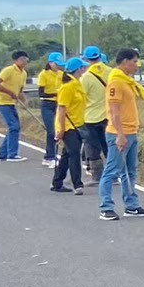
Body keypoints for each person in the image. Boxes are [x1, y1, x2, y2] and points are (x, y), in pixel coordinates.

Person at [97, 49, 144, 220]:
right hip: (119, 133)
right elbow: (114, 112)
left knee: (130, 171)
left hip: (131, 131)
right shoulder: (116, 82)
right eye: (134, 62)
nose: (136, 65)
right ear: (124, 61)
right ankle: (105, 207)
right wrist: (120, 135)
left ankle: (131, 205)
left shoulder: (127, 81)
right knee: (112, 171)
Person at [51, 57, 88, 194]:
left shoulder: (77, 85)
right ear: (78, 70)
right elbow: (61, 110)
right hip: (68, 126)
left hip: (77, 124)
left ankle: (57, 182)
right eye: (83, 68)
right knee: (74, 154)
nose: (85, 70)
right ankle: (77, 184)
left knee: (67, 154)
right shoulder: (67, 87)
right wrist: (61, 129)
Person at [0, 50, 30, 162]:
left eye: (26, 59)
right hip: (2, 102)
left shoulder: (24, 74)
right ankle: (12, 154)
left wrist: (24, 101)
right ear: (16, 60)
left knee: (14, 127)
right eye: (22, 59)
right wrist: (10, 93)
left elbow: (20, 91)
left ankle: (2, 154)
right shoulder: (8, 70)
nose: (24, 61)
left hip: (11, 103)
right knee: (14, 127)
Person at [79, 48, 110, 182]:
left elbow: (81, 97)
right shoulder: (111, 72)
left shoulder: (85, 77)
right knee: (108, 146)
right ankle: (113, 175)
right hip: (108, 116)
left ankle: (97, 177)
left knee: (92, 148)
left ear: (86, 59)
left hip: (90, 117)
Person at [37, 52, 65, 166]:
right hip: (47, 104)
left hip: (58, 105)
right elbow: (41, 93)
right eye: (56, 64)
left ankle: (54, 155)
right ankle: (49, 156)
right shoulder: (44, 74)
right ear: (50, 63)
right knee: (51, 131)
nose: (58, 66)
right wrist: (56, 94)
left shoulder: (62, 74)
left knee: (59, 130)